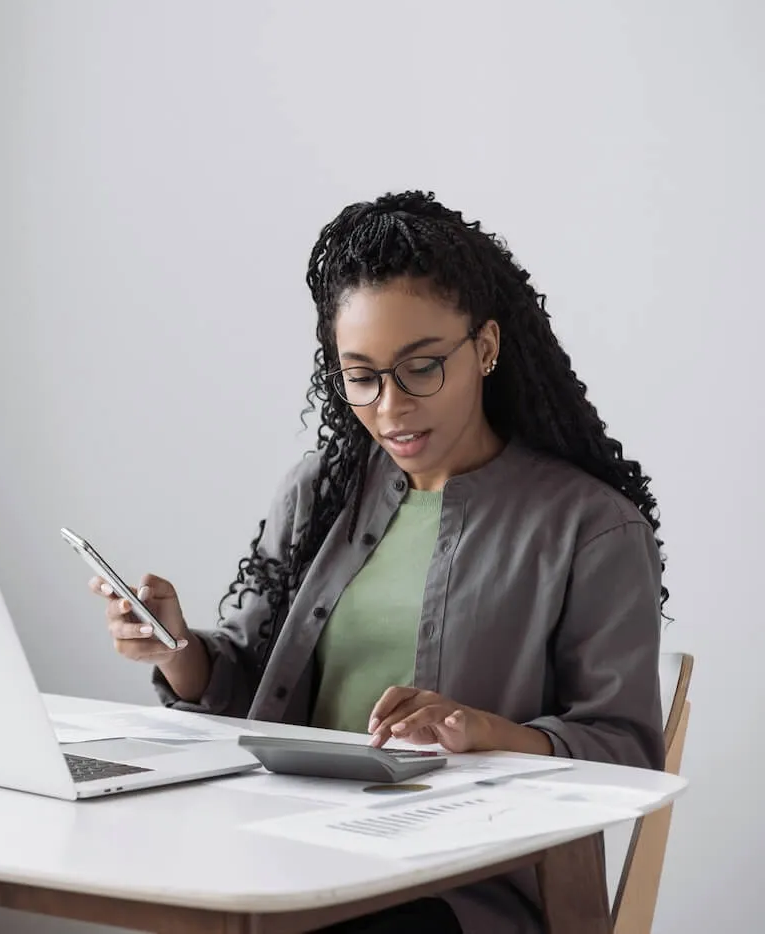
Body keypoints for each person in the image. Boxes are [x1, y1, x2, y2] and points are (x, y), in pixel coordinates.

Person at [89, 190, 667, 934]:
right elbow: (252, 689)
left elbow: (624, 753)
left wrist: (483, 730)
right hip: (281, 854)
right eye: (360, 376)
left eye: (421, 368)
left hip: (458, 891)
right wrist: (178, 652)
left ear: (485, 347)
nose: (390, 406)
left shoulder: (590, 528)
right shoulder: (322, 492)